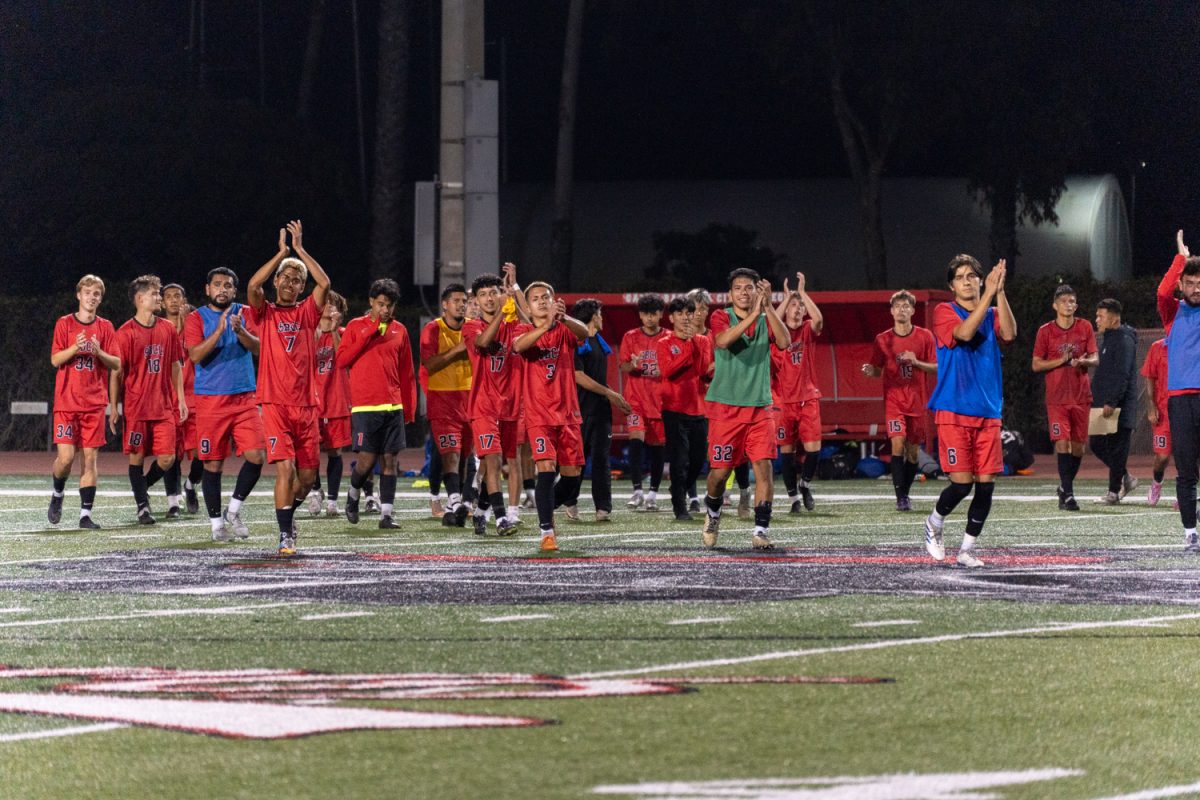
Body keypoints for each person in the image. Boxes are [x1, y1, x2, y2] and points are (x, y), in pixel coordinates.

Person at [922, 255, 1016, 568]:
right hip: (953, 408)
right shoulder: (944, 311)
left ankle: (966, 550)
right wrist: (988, 294)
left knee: (986, 484)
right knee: (962, 484)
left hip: (988, 410)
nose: (967, 280)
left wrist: (999, 291)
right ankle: (934, 522)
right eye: (960, 276)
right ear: (951, 285)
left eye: (972, 275)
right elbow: (963, 333)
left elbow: (1011, 334)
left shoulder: (991, 309)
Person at [245, 220, 331, 555]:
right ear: (276, 281)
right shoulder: (264, 312)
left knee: (307, 479)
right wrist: (280, 253)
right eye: (285, 277)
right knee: (286, 468)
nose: (290, 283)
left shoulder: (308, 312)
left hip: (306, 405)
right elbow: (253, 284)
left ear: (300, 288)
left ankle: (287, 518)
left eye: (297, 280)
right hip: (274, 403)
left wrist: (299, 250)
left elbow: (324, 282)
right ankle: (285, 536)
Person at [701, 269, 790, 548]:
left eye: (749, 287)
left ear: (757, 291)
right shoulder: (720, 316)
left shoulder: (766, 318)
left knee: (764, 468)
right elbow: (723, 341)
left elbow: (785, 342)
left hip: (760, 408)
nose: (743, 292)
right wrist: (755, 314)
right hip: (725, 410)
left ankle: (760, 530)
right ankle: (713, 512)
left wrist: (769, 309)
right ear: (730, 294)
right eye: (738, 288)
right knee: (719, 475)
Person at [184, 266, 265, 542]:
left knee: (257, 457)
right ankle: (216, 523)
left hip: (244, 397)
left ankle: (234, 509)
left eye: (228, 285)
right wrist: (218, 332)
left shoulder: (245, 312)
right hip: (210, 401)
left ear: (234, 290)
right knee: (213, 465)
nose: (223, 289)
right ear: (208, 289)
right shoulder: (196, 318)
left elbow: (259, 348)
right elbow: (195, 356)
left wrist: (240, 331)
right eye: (217, 284)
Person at [513, 281, 589, 552]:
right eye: (535, 298)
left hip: (568, 415)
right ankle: (547, 531)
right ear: (529, 306)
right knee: (545, 470)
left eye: (546, 297)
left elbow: (585, 333)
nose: (542, 301)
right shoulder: (524, 329)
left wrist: (564, 317)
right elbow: (520, 347)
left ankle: (547, 507)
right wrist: (544, 326)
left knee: (572, 478)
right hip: (540, 416)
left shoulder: (565, 330)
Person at [337, 278, 416, 529]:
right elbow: (342, 360)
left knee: (390, 461)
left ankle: (386, 515)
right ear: (371, 302)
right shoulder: (355, 326)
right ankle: (352, 494)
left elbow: (407, 372)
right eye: (380, 304)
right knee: (367, 461)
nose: (385, 310)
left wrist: (409, 406)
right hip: (365, 407)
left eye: (389, 305)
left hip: (392, 406)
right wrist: (369, 331)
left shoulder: (400, 330)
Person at [109, 275, 187, 525]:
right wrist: (114, 407)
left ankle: (140, 488)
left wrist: (181, 399)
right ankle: (143, 506)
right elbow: (117, 374)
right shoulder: (125, 334)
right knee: (137, 458)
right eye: (155, 294)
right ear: (140, 299)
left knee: (168, 457)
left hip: (163, 407)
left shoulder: (167, 328)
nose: (159, 297)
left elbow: (176, 365)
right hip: (136, 409)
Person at [48, 274, 121, 529]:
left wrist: (99, 352)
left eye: (97, 294)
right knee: (66, 458)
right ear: (78, 295)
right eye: (88, 292)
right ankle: (58, 493)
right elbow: (55, 360)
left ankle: (85, 515)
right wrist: (75, 349)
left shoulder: (106, 327)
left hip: (93, 404)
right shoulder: (64, 323)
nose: (92, 297)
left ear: (100, 299)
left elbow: (117, 363)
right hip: (67, 404)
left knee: (90, 459)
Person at [463, 266, 526, 535]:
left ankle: (480, 512)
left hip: (510, 406)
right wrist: (503, 310)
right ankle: (501, 519)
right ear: (475, 300)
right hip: (483, 406)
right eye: (483, 295)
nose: (489, 298)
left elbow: (533, 324)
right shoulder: (471, 326)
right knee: (492, 460)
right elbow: (484, 342)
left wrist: (515, 291)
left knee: (501, 463)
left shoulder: (513, 325)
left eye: (494, 293)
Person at [861, 289, 937, 512]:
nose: (901, 310)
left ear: (913, 310)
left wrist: (916, 362)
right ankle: (900, 497)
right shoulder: (882, 339)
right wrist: (869, 371)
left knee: (912, 453)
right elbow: (877, 370)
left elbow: (937, 366)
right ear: (892, 311)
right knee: (897, 443)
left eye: (906, 306)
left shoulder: (925, 336)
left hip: (916, 402)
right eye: (897, 306)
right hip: (894, 402)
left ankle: (905, 492)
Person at [557, 297, 630, 521]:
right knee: (577, 461)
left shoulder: (599, 340)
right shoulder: (576, 342)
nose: (601, 317)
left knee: (602, 459)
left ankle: (603, 508)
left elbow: (596, 378)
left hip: (601, 412)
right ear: (591, 316)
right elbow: (578, 376)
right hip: (579, 411)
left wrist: (613, 396)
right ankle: (570, 501)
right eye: (599, 313)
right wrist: (611, 393)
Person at [1031, 285, 1097, 512]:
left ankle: (1064, 487)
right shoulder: (1045, 331)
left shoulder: (1085, 326)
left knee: (1078, 448)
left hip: (1081, 396)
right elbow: (1036, 364)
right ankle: (1068, 494)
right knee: (1062, 443)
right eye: (1064, 301)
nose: (1069, 305)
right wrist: (1061, 360)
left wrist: (1084, 362)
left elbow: (1095, 357)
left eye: (1072, 301)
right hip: (1057, 398)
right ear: (1055, 305)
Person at [770, 273, 825, 513]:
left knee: (813, 449)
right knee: (787, 452)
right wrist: (786, 298)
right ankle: (793, 499)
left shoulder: (806, 330)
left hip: (807, 398)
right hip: (782, 401)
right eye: (793, 304)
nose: (797, 308)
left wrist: (802, 293)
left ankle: (805, 485)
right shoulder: (776, 332)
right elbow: (770, 319)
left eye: (800, 305)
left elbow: (819, 319)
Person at [421, 284, 475, 527]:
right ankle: (454, 501)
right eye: (456, 300)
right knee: (450, 455)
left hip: (470, 401)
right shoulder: (433, 329)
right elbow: (429, 364)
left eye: (464, 300)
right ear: (445, 304)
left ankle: (455, 507)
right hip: (442, 402)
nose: (461, 304)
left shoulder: (473, 327)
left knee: (464, 458)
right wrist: (459, 349)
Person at [1159, 230, 1200, 548]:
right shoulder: (1173, 312)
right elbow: (1162, 291)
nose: (1196, 287)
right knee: (1186, 469)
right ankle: (1190, 533)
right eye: (1190, 282)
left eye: (1199, 282)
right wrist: (1181, 259)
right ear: (1181, 284)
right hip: (1181, 400)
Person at [658, 297, 713, 522]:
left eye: (688, 313)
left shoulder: (703, 341)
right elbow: (668, 370)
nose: (685, 317)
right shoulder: (663, 343)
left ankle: (679, 490)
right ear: (671, 318)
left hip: (699, 410)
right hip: (674, 410)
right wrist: (688, 346)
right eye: (679, 313)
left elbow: (703, 371)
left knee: (699, 461)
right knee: (679, 461)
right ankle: (680, 507)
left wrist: (694, 344)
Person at [619, 295, 667, 512]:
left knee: (658, 449)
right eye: (646, 313)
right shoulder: (630, 337)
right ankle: (637, 491)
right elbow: (624, 367)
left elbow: (675, 366)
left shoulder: (669, 337)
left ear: (660, 314)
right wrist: (633, 364)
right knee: (636, 441)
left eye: (654, 313)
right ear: (640, 315)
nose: (650, 318)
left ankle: (653, 494)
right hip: (636, 400)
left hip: (660, 401)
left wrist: (663, 370)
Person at [1089, 298, 1139, 505]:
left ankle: (1113, 493)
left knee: (1117, 448)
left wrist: (1111, 400)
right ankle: (1126, 477)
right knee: (1097, 444)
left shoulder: (1124, 339)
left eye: (1101, 316)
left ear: (1114, 317)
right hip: (1105, 404)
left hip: (1118, 407)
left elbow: (1122, 373)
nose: (1097, 320)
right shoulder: (1109, 338)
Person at [307, 291, 351, 517]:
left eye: (331, 303)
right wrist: (313, 335)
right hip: (311, 402)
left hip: (335, 400)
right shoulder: (307, 332)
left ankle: (333, 500)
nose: (326, 306)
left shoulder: (343, 333)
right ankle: (316, 490)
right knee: (310, 450)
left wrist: (333, 330)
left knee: (335, 451)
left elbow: (344, 358)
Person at [163, 283, 201, 516]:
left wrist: (189, 323)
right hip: (169, 400)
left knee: (202, 454)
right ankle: (173, 502)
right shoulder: (159, 329)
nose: (174, 300)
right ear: (162, 302)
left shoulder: (195, 325)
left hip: (195, 398)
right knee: (171, 454)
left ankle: (190, 485)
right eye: (168, 297)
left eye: (178, 296)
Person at [1141, 337, 1173, 507]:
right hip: (1163, 410)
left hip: (1187, 408)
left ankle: (1186, 494)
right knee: (1162, 456)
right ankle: (1156, 483)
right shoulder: (1158, 347)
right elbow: (1150, 377)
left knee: (1189, 456)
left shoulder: (1192, 344)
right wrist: (1151, 404)